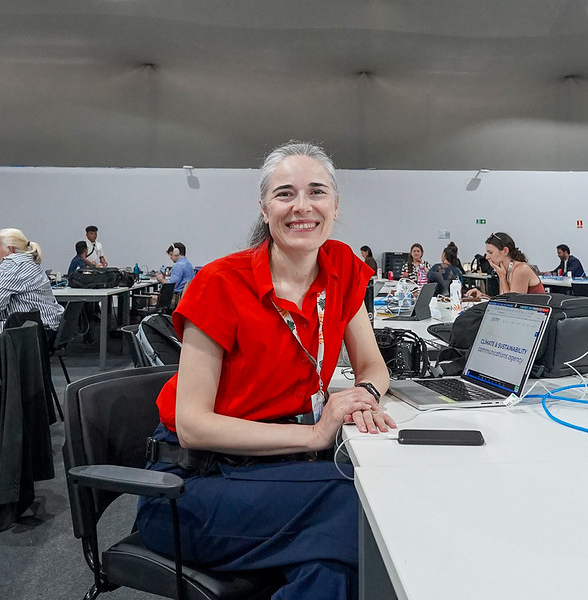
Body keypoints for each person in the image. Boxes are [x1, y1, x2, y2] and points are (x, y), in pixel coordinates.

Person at [135, 141, 394, 599]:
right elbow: (193, 426)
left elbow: (372, 363)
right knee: (367, 503)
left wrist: (365, 395)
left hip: (280, 474)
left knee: (331, 571)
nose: (302, 207)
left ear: (335, 205)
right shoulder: (220, 283)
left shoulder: (342, 269)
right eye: (284, 194)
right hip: (194, 488)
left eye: (316, 192)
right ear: (264, 207)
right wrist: (316, 435)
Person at [0, 228, 65, 338]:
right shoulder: (28, 261)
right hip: (44, 330)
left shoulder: (11, 263)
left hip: (27, 335)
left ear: (10, 249)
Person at [465, 232, 544, 300]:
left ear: (505, 251)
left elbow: (512, 305)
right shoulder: (506, 270)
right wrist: (483, 297)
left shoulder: (520, 269)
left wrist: (502, 277)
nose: (487, 257)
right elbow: (503, 300)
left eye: (490, 252)